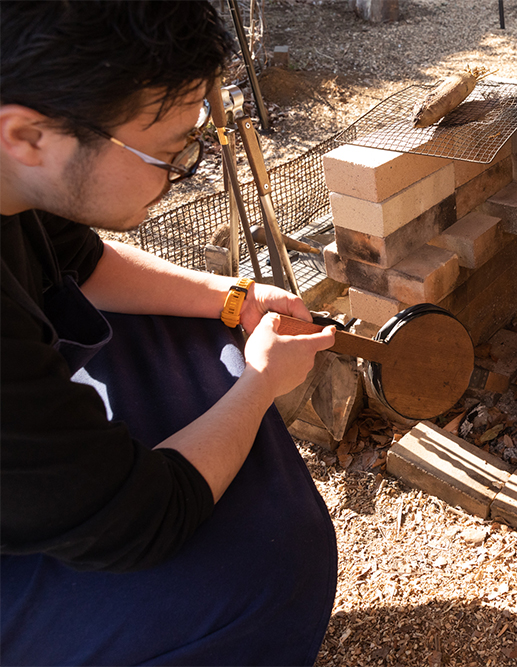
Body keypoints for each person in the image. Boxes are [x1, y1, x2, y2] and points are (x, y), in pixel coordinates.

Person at [0, 2, 340, 664]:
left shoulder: (15, 173)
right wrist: (261, 382)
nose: (183, 169)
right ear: (30, 136)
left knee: (196, 334)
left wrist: (234, 297)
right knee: (268, 564)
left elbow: (81, 263)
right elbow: (140, 519)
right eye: (167, 153)